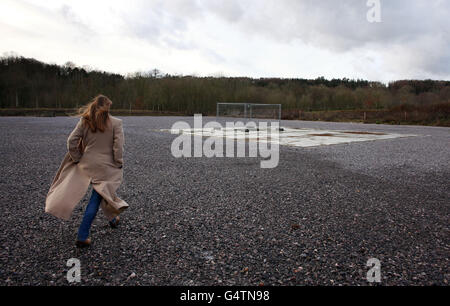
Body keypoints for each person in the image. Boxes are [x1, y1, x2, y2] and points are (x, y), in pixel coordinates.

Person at [45, 94, 129, 247]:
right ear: (107, 107)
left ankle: (113, 219)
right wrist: (118, 162)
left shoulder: (85, 121)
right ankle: (82, 236)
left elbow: (71, 141)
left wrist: (78, 158)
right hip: (105, 167)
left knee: (102, 191)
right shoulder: (116, 123)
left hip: (86, 165)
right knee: (96, 198)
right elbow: (118, 148)